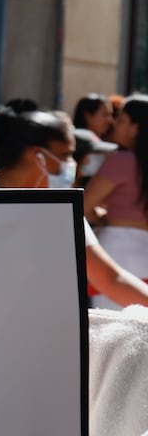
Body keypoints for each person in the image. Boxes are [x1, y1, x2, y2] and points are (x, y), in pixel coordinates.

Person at [0, 108, 148, 309]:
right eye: (65, 155)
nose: (71, 165)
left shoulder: (62, 208)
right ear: (37, 155)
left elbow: (110, 279)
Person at [84, 96, 148, 309]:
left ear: (136, 127)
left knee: (113, 333)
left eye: (121, 120)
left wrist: (102, 216)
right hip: (143, 252)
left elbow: (82, 205)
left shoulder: (121, 160)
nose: (114, 124)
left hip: (118, 253)